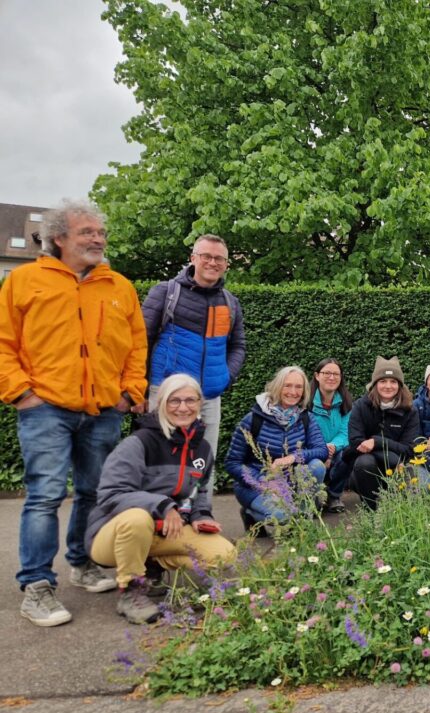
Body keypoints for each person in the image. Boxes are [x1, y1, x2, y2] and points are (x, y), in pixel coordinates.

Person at [0, 200, 147, 627]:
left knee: (94, 492)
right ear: (59, 237)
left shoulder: (119, 286)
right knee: (45, 495)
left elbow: (136, 346)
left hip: (103, 410)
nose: (98, 239)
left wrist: (129, 392)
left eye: (100, 233)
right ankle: (37, 585)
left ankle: (82, 564)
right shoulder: (24, 282)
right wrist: (21, 393)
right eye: (88, 232)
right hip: (45, 408)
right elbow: (4, 343)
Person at [87, 375, 235, 623]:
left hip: (165, 532)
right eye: (174, 400)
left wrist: (201, 517)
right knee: (137, 518)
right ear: (162, 404)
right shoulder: (138, 443)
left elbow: (200, 496)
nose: (183, 407)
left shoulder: (203, 449)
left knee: (225, 554)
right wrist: (162, 505)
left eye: (190, 400)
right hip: (112, 536)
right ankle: (131, 591)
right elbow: (110, 494)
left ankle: (152, 566)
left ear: (200, 403)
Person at [142, 234, 245, 495]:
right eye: (206, 256)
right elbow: (142, 341)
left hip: (208, 398)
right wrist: (139, 391)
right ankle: (159, 523)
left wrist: (225, 378)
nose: (212, 262)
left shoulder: (230, 302)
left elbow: (238, 346)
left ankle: (201, 519)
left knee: (202, 464)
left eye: (219, 258)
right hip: (165, 395)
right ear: (193, 259)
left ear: (226, 264)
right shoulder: (165, 292)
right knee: (161, 463)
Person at [225, 366, 328, 529]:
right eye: (287, 385)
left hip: (290, 482)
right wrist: (263, 483)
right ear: (277, 386)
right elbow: (232, 463)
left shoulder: (306, 418)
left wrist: (292, 457)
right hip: (255, 485)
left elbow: (322, 451)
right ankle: (251, 514)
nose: (293, 392)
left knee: (317, 466)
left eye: (298, 387)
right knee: (282, 516)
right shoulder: (252, 419)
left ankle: (302, 518)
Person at [342, 356, 421, 510]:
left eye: (393, 381)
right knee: (365, 461)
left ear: (400, 385)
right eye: (383, 381)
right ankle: (371, 510)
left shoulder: (410, 411)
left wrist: (377, 442)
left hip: (398, 470)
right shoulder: (360, 406)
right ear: (375, 384)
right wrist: (388, 454)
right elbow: (356, 443)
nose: (388, 386)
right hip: (364, 470)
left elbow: (409, 450)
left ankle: (395, 501)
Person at [309, 358, 354, 512]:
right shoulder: (306, 403)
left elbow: (345, 432)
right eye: (327, 373)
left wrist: (332, 447)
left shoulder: (346, 403)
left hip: (336, 449)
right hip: (313, 449)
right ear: (317, 376)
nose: (332, 377)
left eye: (336, 374)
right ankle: (312, 498)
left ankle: (334, 495)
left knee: (349, 454)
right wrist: (322, 450)